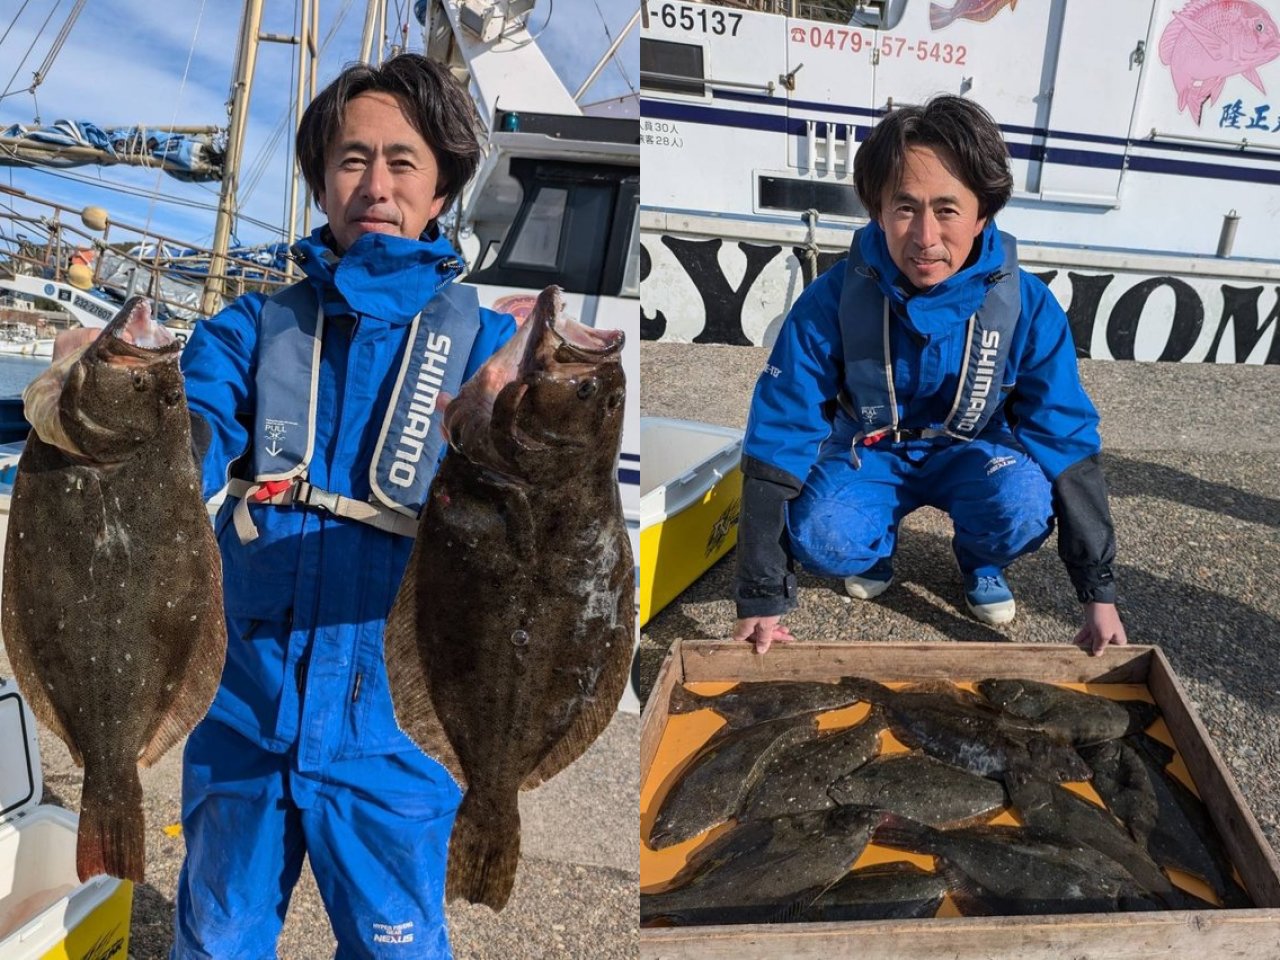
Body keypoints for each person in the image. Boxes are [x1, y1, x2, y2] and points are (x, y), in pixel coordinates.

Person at [169, 55, 514, 958]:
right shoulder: (247, 329)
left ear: (442, 188)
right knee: (216, 939)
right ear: (322, 180)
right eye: (351, 159)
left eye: (404, 161)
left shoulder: (491, 344)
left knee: (397, 945)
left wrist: (524, 403)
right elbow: (187, 432)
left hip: (398, 727)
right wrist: (118, 408)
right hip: (243, 703)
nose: (376, 183)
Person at [731, 95, 1127, 659]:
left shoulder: (1029, 306)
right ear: (875, 210)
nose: (924, 237)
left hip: (973, 448)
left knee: (1021, 504)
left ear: (983, 213)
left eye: (947, 208)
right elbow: (780, 431)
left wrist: (1099, 594)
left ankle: (980, 557)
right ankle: (876, 546)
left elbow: (1064, 434)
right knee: (822, 534)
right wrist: (761, 594)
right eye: (903, 207)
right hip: (871, 449)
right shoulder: (831, 301)